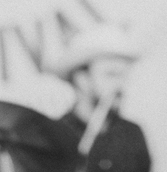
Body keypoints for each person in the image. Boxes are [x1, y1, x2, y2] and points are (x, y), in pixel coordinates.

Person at [50, 24, 152, 172]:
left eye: (123, 76)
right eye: (111, 74)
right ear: (82, 79)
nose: (120, 84)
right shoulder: (53, 136)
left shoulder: (132, 134)